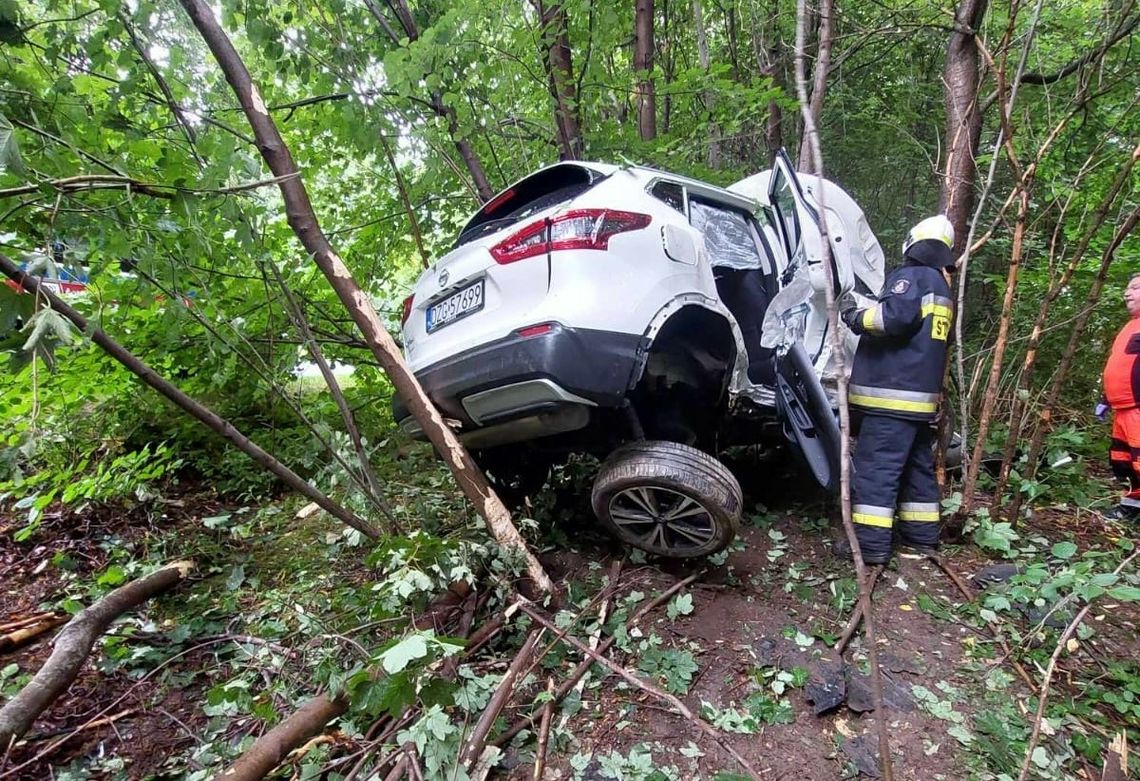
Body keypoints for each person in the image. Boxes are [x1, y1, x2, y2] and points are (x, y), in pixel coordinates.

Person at [837, 215, 956, 564]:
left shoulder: (911, 278)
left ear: (913, 243)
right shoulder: (940, 286)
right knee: (916, 468)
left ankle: (870, 546)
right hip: (917, 402)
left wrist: (854, 316)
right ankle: (922, 537)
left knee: (877, 471)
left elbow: (891, 321)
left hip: (891, 399)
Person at [1099, 273, 1140, 521]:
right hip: (1121, 409)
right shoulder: (1129, 327)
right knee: (1122, 461)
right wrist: (1105, 398)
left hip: (1138, 408)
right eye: (1127, 288)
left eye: (1135, 288)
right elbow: (1120, 366)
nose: (1127, 293)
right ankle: (1131, 507)